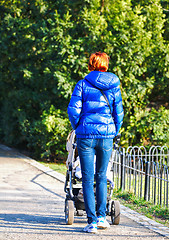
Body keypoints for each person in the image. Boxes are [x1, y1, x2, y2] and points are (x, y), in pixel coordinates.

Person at [67, 52, 124, 233]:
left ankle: (91, 222)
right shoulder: (114, 86)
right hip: (107, 136)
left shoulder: (82, 84)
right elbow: (119, 113)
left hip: (86, 136)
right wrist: (113, 129)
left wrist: (79, 127)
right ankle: (101, 217)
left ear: (91, 64)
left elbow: (73, 110)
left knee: (87, 177)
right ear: (105, 64)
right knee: (101, 176)